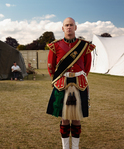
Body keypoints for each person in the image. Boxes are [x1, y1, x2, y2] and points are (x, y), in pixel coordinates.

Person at [46, 17, 95, 149]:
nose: (69, 27)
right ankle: (65, 147)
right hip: (62, 84)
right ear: (62, 28)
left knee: (77, 118)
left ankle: (75, 147)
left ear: (75, 27)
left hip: (80, 83)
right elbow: (51, 66)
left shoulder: (84, 46)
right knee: (64, 118)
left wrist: (79, 76)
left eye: (71, 25)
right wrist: (56, 80)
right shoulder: (55, 46)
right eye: (66, 25)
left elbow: (87, 66)